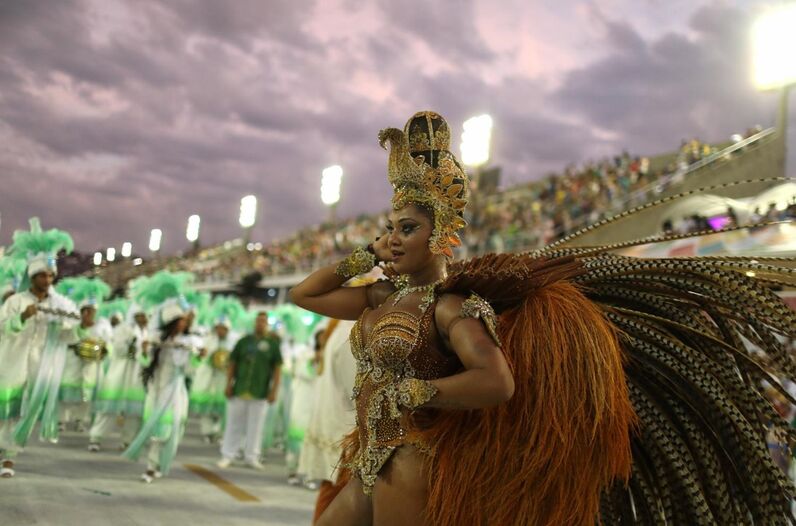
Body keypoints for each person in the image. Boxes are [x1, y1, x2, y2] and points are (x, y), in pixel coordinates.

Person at [291, 111, 796, 525]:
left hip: (411, 462)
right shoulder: (380, 297)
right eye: (389, 228)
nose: (393, 239)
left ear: (440, 234)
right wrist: (364, 255)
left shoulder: (451, 308)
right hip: (368, 458)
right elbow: (304, 294)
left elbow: (497, 382)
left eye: (407, 228)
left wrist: (420, 391)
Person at [0, 218, 78, 478]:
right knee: (6, 410)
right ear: (32, 276)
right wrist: (22, 317)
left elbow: (72, 333)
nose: (47, 279)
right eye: (42, 275)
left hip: (41, 367)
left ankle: (9, 457)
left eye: (50, 275)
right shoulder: (15, 301)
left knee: (25, 412)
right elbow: (2, 327)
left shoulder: (62, 304)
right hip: (11, 361)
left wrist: (68, 323)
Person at [122, 272, 198, 483]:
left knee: (174, 430)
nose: (183, 324)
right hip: (158, 389)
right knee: (159, 429)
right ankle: (150, 466)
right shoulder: (156, 338)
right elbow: (144, 361)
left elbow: (189, 369)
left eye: (184, 321)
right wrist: (146, 349)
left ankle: (160, 464)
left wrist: (197, 356)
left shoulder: (190, 342)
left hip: (177, 392)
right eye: (179, 321)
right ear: (170, 322)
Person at [296, 318, 357, 522]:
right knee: (339, 501)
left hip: (338, 427)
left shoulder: (341, 328)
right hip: (346, 433)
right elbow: (357, 392)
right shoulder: (350, 333)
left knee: (334, 497)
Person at [217, 311, 282, 470]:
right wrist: (228, 384)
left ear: (267, 324)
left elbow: (277, 369)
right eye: (258, 321)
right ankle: (228, 455)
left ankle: (252, 457)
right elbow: (232, 364)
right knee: (233, 424)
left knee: (256, 426)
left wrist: (274, 391)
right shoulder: (243, 342)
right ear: (254, 322)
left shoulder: (272, 345)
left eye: (263, 321)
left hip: (260, 391)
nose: (260, 324)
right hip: (239, 389)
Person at [89, 306, 150, 451]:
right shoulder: (123, 329)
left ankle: (128, 441)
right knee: (108, 409)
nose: (144, 319)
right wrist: (134, 344)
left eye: (145, 315)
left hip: (136, 375)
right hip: (119, 373)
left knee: (134, 412)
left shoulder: (148, 332)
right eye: (141, 315)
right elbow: (119, 349)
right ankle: (96, 438)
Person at [58, 278, 112, 433]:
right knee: (67, 393)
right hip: (72, 363)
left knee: (86, 396)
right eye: (86, 311)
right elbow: (64, 339)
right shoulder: (72, 324)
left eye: (92, 311)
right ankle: (61, 420)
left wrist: (101, 351)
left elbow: (108, 345)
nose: (89, 314)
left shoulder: (102, 326)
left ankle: (80, 420)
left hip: (91, 367)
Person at [190, 297, 243, 444]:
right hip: (208, 378)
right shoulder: (207, 340)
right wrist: (208, 357)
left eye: (223, 328)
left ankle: (218, 432)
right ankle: (207, 432)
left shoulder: (232, 343)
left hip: (223, 379)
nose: (221, 331)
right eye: (218, 328)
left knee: (221, 409)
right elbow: (197, 359)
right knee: (207, 409)